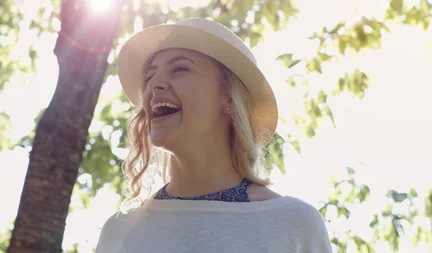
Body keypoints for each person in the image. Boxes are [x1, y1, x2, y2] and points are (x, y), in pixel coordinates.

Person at [94, 18, 333, 253]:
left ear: (228, 97)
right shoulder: (119, 231)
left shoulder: (294, 225)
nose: (154, 84)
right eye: (150, 76)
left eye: (179, 68)